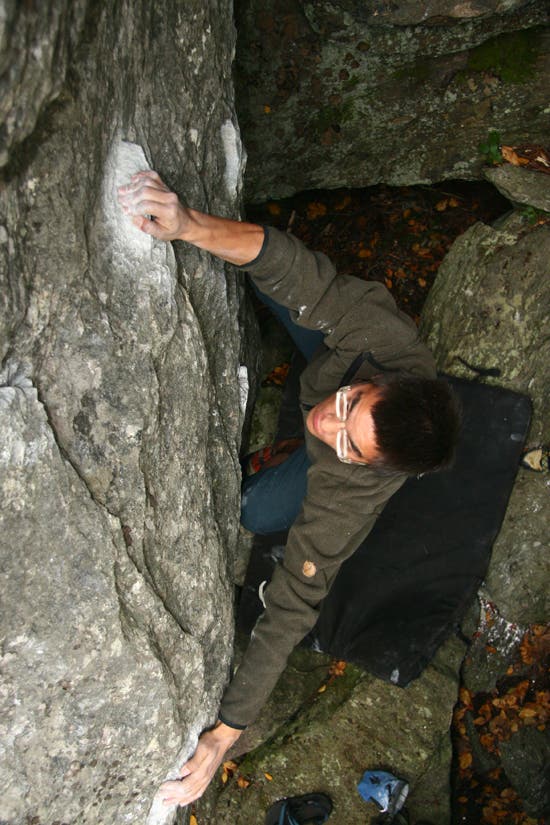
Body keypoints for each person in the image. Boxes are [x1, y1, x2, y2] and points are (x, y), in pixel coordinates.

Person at [117, 171, 460, 808]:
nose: (329, 420)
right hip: (330, 350)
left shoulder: (348, 500)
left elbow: (292, 609)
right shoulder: (384, 340)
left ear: (370, 468)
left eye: (348, 441)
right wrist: (189, 224)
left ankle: (287, 455)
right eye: (352, 402)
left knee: (254, 509)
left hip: (326, 462)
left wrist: (224, 735)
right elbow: (291, 264)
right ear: (378, 380)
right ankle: (316, 393)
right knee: (272, 280)